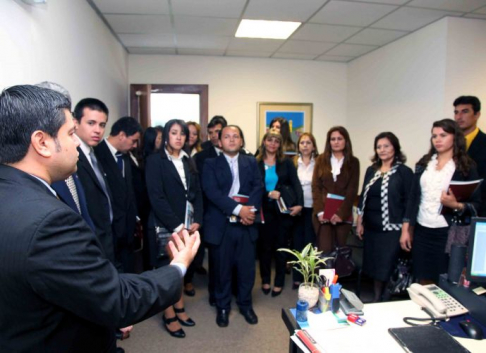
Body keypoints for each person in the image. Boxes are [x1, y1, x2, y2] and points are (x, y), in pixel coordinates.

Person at [0, 84, 200, 352]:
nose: (76, 143)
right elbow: (119, 301)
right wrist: (178, 266)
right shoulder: (50, 222)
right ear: (42, 142)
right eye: (71, 133)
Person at [400, 119, 480, 284]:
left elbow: (477, 204)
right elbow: (413, 197)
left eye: (443, 135)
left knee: (444, 279)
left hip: (447, 232)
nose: (437, 139)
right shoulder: (424, 163)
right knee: (422, 277)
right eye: (434, 136)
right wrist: (406, 229)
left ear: (455, 137)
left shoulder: (465, 166)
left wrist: (456, 205)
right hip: (422, 230)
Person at [145, 119, 203, 338]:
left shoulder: (189, 160)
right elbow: (156, 197)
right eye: (174, 133)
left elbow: (197, 193)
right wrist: (178, 226)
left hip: (187, 225)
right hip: (165, 225)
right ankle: (169, 315)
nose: (178, 137)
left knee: (180, 271)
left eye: (183, 134)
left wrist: (196, 219)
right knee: (167, 272)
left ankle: (179, 308)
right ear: (166, 136)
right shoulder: (155, 160)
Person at [202, 125, 264, 327]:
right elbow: (212, 193)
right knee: (222, 269)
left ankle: (246, 305)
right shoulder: (210, 163)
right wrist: (239, 210)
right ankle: (222, 307)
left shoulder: (251, 162)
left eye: (235, 136)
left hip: (246, 225)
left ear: (241, 141)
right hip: (222, 225)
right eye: (226, 137)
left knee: (246, 269)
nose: (231, 140)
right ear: (219, 142)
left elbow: (258, 187)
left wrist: (249, 212)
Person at [356, 132, 413, 302]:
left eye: (386, 146)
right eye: (379, 147)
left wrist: (406, 230)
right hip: (372, 229)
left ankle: (385, 300)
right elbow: (363, 197)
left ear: (395, 147)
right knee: (374, 267)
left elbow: (410, 203)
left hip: (392, 230)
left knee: (386, 267)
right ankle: (376, 297)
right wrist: (360, 222)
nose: (382, 150)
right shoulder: (371, 170)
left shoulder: (404, 172)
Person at [256, 129, 303, 296]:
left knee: (282, 249)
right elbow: (252, 188)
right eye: (270, 140)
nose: (273, 144)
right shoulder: (256, 162)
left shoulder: (286, 163)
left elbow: (296, 184)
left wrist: (300, 205)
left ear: (280, 145)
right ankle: (266, 280)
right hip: (264, 210)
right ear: (264, 142)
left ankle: (279, 282)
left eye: (276, 141)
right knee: (265, 249)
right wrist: (267, 194)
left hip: (282, 211)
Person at [95, 116, 142, 273]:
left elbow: (129, 190)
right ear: (121, 135)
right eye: (133, 141)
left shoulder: (125, 156)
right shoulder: (97, 154)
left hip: (127, 230)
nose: (134, 145)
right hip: (110, 231)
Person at [73, 98, 116, 265]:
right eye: (91, 123)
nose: (98, 130)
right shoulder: (73, 156)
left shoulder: (94, 153)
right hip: (89, 241)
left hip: (105, 236)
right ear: (75, 123)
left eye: (102, 125)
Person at [312, 126, 360, 253]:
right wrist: (320, 212)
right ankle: (324, 274)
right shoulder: (321, 160)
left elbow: (352, 190)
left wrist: (340, 213)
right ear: (329, 142)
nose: (336, 142)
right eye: (333, 139)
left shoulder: (353, 162)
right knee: (325, 253)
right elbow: (316, 187)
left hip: (343, 216)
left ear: (346, 141)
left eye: (339, 138)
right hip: (322, 215)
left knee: (340, 253)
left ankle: (337, 274)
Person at [291, 132, 319, 289]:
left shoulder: (320, 163)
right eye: (302, 143)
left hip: (313, 209)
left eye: (308, 143)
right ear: (298, 146)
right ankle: (296, 277)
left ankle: (308, 277)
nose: (305, 145)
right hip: (298, 209)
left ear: (314, 146)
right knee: (297, 244)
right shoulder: (294, 162)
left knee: (310, 243)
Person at [453, 96, 486, 216]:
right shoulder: (448, 143)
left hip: (479, 210)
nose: (459, 117)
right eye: (456, 112)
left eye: (465, 111)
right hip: (448, 213)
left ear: (477, 115)